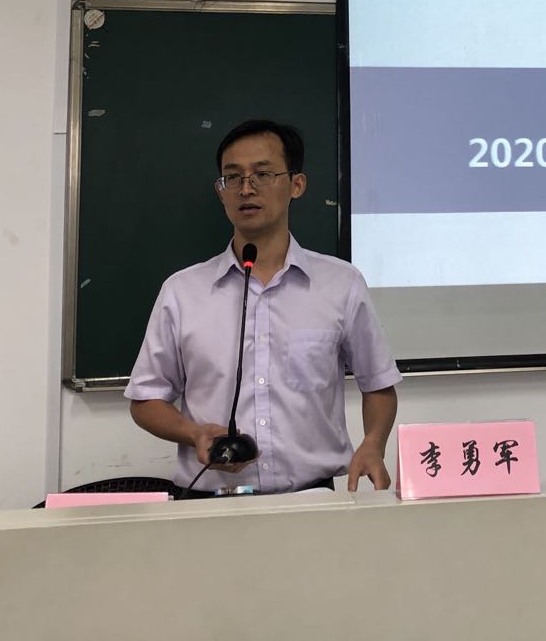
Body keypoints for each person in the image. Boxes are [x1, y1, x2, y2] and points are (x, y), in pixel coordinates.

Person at [124, 119, 401, 495]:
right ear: (220, 192)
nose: (246, 188)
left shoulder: (341, 284)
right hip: (209, 504)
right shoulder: (182, 291)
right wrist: (194, 433)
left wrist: (373, 443)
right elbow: (145, 398)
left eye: (263, 174)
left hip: (312, 503)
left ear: (297, 185)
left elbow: (378, 383)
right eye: (232, 177)